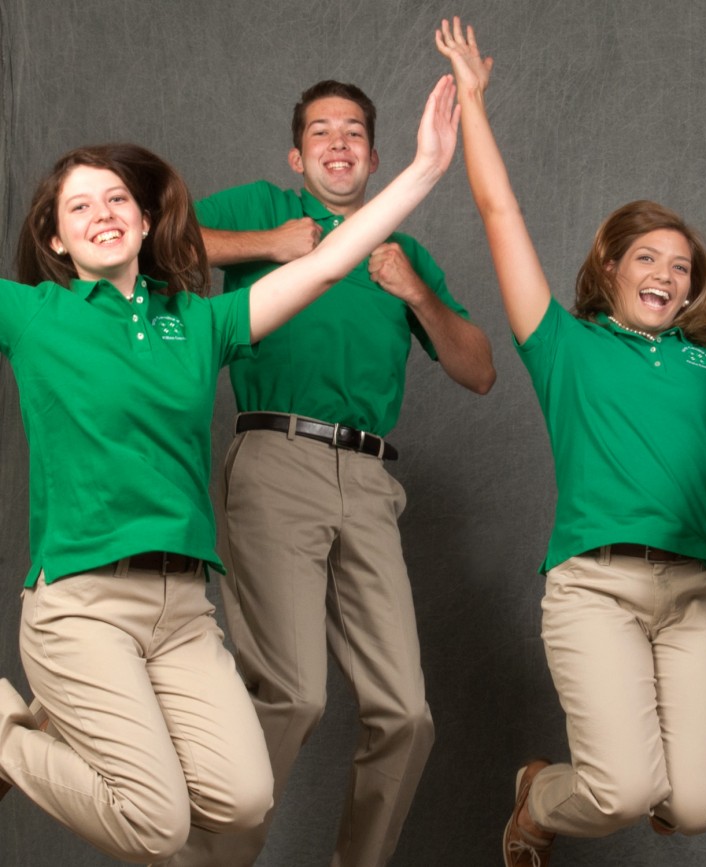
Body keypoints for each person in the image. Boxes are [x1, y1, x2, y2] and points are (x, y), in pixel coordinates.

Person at [0, 75, 460, 865]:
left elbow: (324, 265)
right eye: (79, 208)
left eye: (116, 201)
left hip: (184, 610)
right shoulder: (34, 316)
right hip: (81, 600)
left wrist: (423, 169)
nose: (102, 215)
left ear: (144, 224)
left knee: (244, 805)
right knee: (160, 822)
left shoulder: (199, 323)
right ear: (55, 242)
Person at [436, 18, 706, 867]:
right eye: (646, 257)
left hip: (700, 593)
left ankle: (639, 780)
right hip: (597, 587)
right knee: (619, 792)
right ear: (610, 267)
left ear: (694, 286)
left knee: (694, 807)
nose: (665, 274)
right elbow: (498, 210)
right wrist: (473, 102)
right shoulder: (562, 343)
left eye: (681, 266)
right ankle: (539, 791)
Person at [166, 77, 495, 867]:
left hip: (373, 482)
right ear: (296, 153)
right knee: (295, 694)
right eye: (321, 132)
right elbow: (159, 246)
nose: (339, 144)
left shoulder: (402, 250)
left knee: (408, 714)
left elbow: (479, 369)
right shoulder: (258, 205)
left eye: (353, 133)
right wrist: (272, 246)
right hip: (277, 457)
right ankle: (205, 860)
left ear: (377, 158)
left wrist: (416, 291)